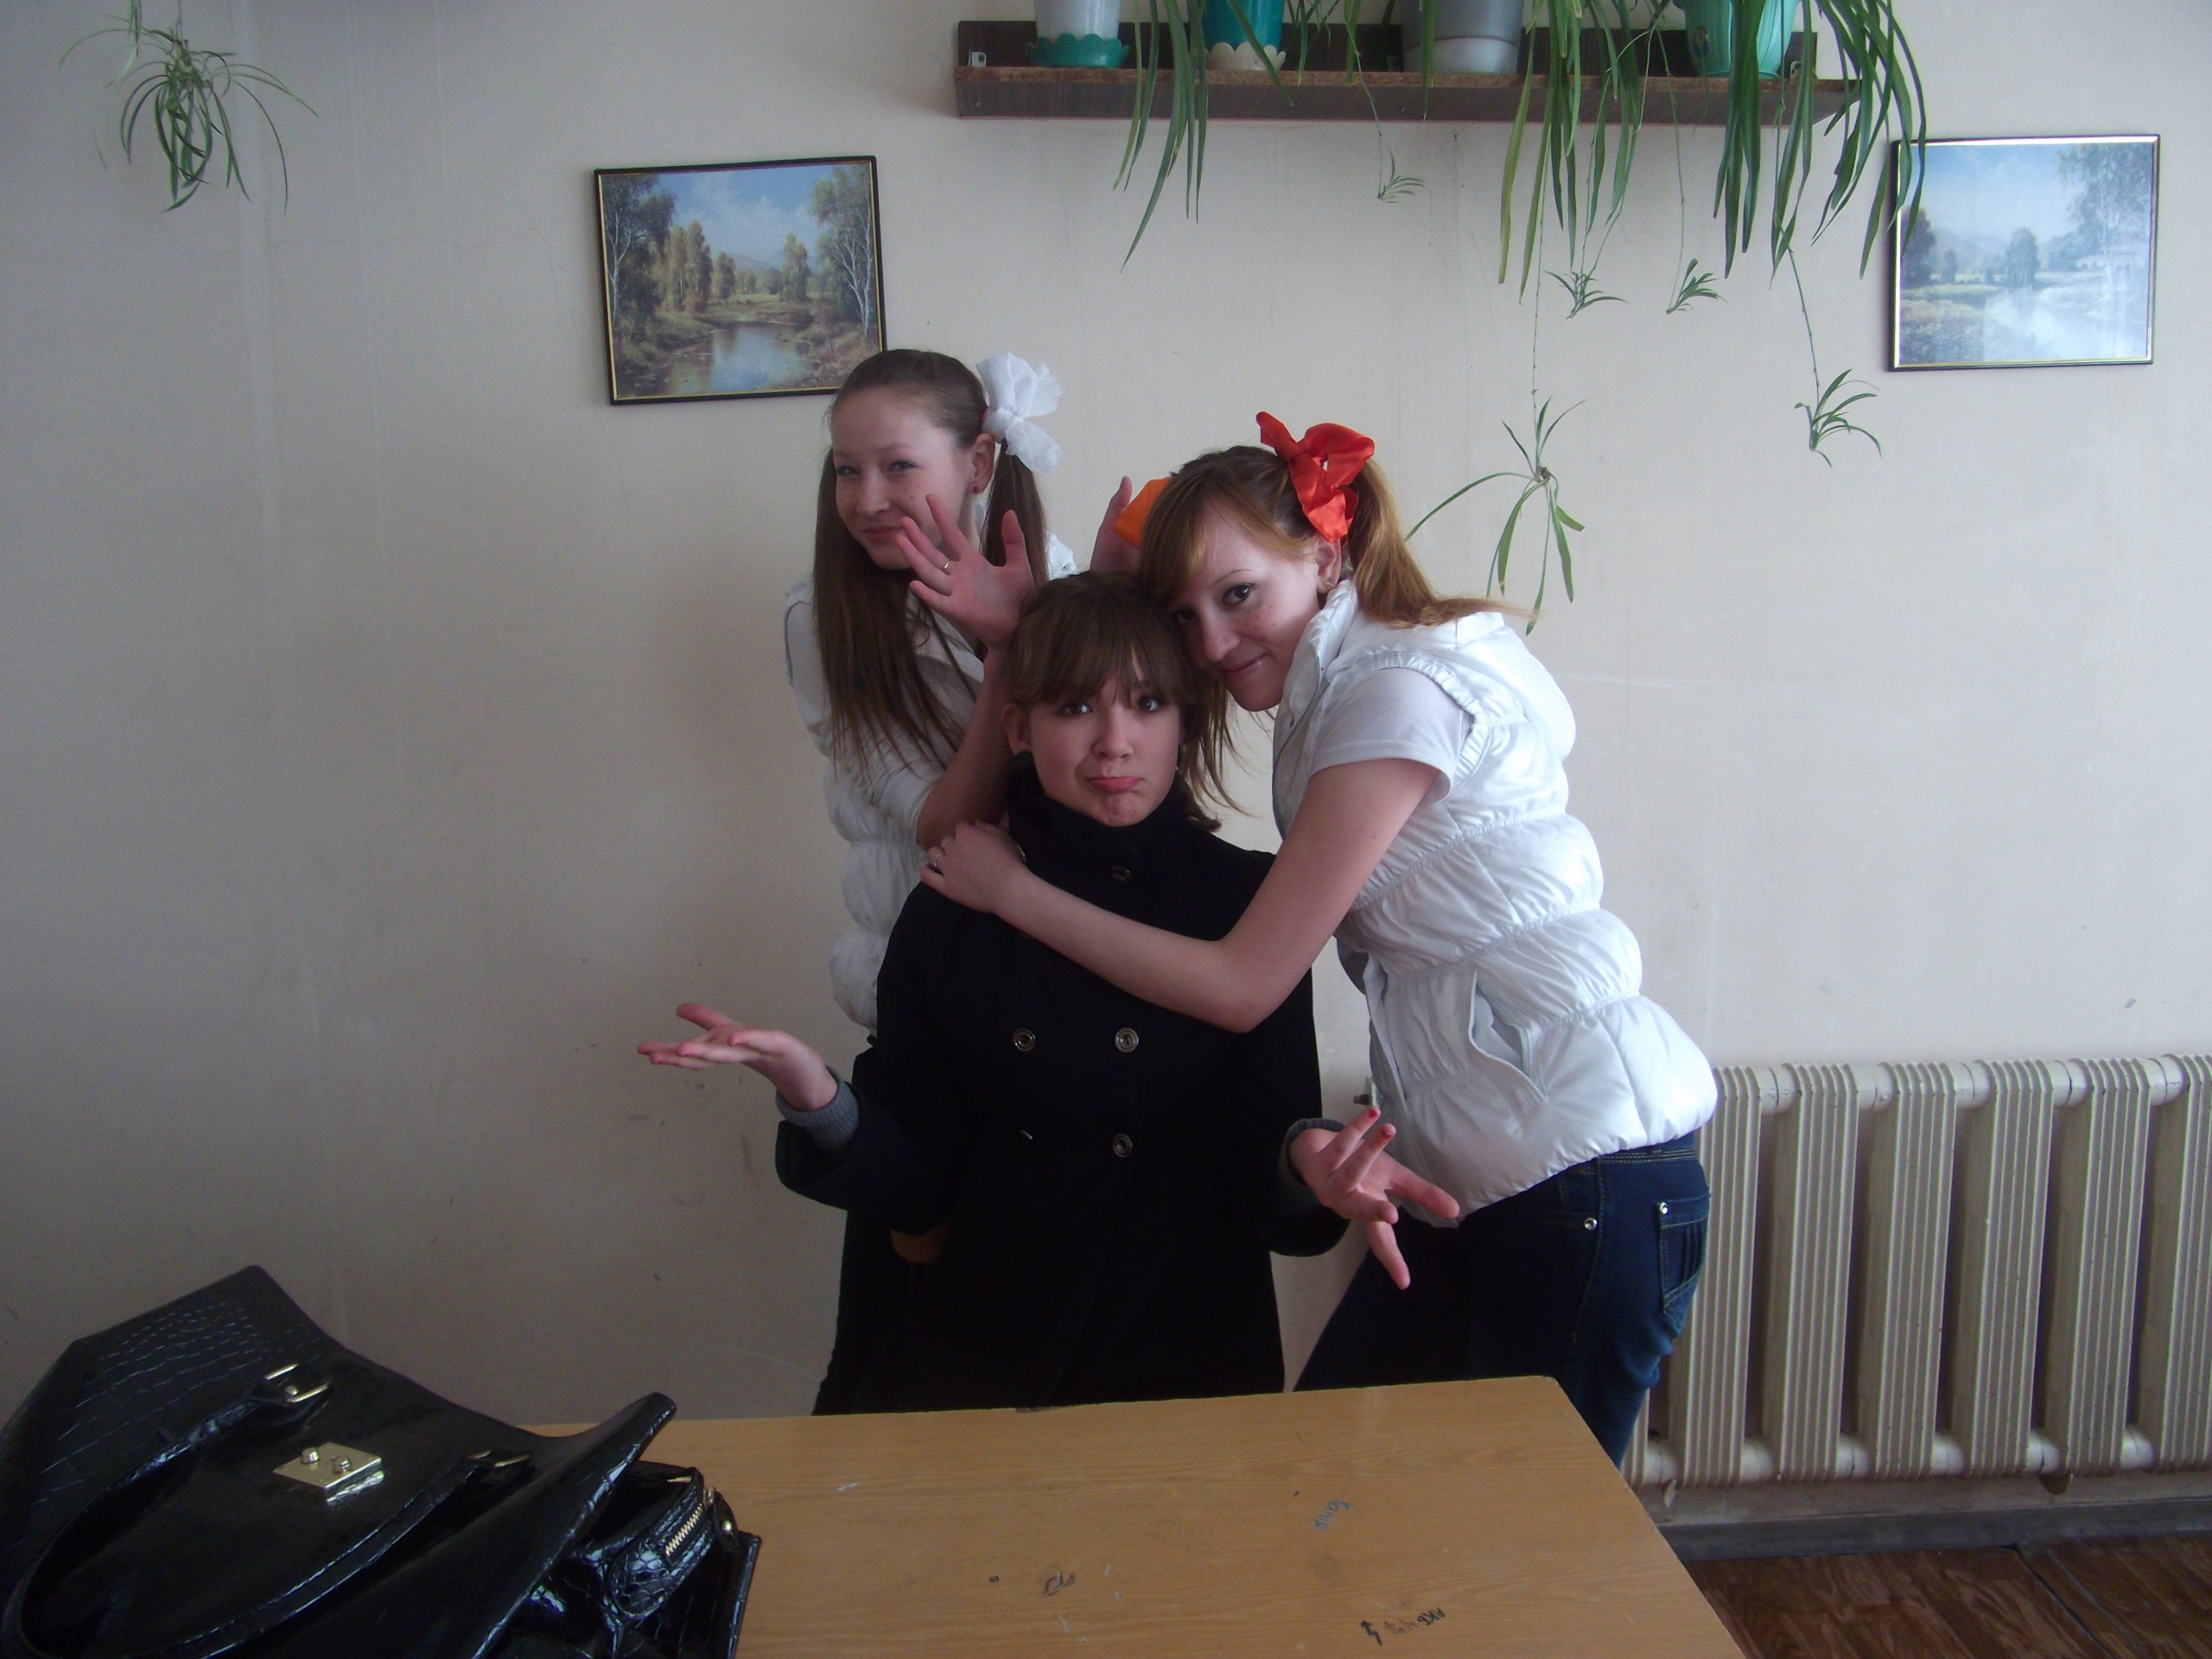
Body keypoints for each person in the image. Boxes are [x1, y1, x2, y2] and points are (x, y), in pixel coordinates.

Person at [913, 416, 1717, 1462]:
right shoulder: (1361, 676)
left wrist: (1014, 893)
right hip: (1490, 1162)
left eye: (1238, 595)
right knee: (1334, 1475)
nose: (1210, 643)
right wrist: (1062, 616)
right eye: (1184, 614)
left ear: (1327, 558)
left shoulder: (1394, 695)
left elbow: (1242, 982)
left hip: (1581, 1173)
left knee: (1519, 1533)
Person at [645, 575, 1407, 1409]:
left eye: (1148, 704)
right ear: (1018, 728)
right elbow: (919, 1182)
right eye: (1075, 708)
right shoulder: (951, 907)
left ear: (1185, 722)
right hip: (989, 1364)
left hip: (1188, 1370)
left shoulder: (1249, 904)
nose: (1114, 744)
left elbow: (1269, 1179)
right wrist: (816, 1096)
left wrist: (1304, 1167)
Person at [779, 347, 1081, 1413]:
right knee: (883, 1366)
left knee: (1054, 1359)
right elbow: (945, 824)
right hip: (924, 1014)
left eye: (898, 466)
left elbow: (1114, 788)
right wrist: (1006, 656)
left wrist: (1030, 625)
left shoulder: (1062, 584)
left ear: (979, 461)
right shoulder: (822, 618)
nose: (866, 498)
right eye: (844, 470)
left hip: (1066, 1000)